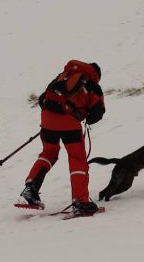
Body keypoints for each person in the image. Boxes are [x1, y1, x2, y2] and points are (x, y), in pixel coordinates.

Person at [20, 60, 105, 215]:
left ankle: (31, 187)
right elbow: (97, 113)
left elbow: (42, 99)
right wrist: (83, 115)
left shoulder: (62, 76)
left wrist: (53, 119)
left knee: (48, 154)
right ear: (96, 75)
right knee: (77, 159)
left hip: (47, 120)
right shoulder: (92, 84)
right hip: (70, 125)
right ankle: (81, 202)